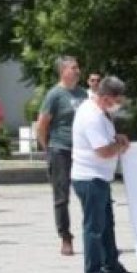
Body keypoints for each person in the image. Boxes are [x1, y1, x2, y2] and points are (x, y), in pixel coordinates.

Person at [71, 76, 137, 273]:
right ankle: (93, 270)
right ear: (107, 97)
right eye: (117, 101)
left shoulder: (100, 112)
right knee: (95, 226)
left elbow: (106, 141)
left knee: (107, 224)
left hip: (99, 177)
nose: (119, 105)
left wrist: (117, 139)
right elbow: (102, 151)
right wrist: (119, 147)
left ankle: (111, 266)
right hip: (90, 177)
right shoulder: (92, 116)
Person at [36, 55, 88, 256]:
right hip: (61, 149)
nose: (77, 71)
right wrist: (47, 148)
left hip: (82, 151)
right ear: (63, 71)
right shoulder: (55, 95)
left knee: (87, 193)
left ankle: (92, 234)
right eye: (73, 68)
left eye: (78, 67)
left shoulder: (83, 94)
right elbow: (42, 124)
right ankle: (65, 236)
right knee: (61, 196)